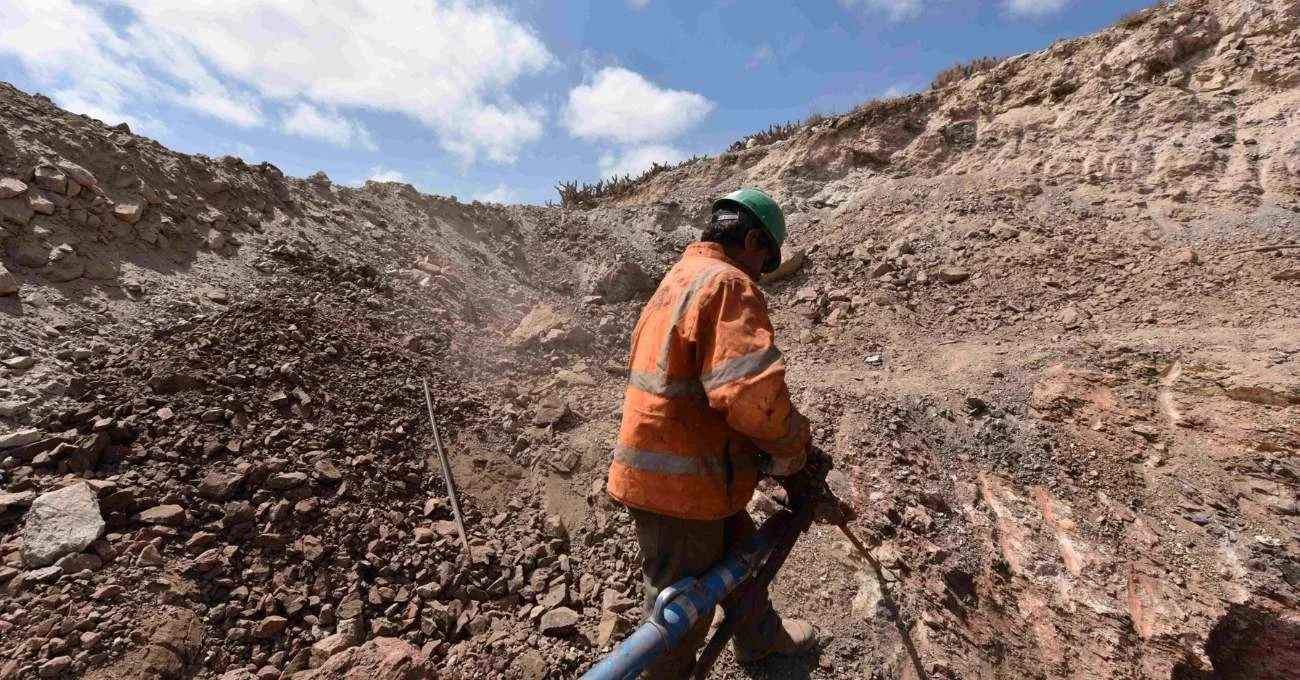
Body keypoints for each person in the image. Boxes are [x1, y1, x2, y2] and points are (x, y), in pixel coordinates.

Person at [606, 188, 816, 677]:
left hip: (689, 476)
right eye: (764, 261)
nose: (760, 274)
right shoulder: (726, 284)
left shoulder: (675, 282)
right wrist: (792, 447)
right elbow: (751, 396)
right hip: (679, 488)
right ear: (750, 240)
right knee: (681, 613)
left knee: (741, 556)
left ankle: (763, 641)